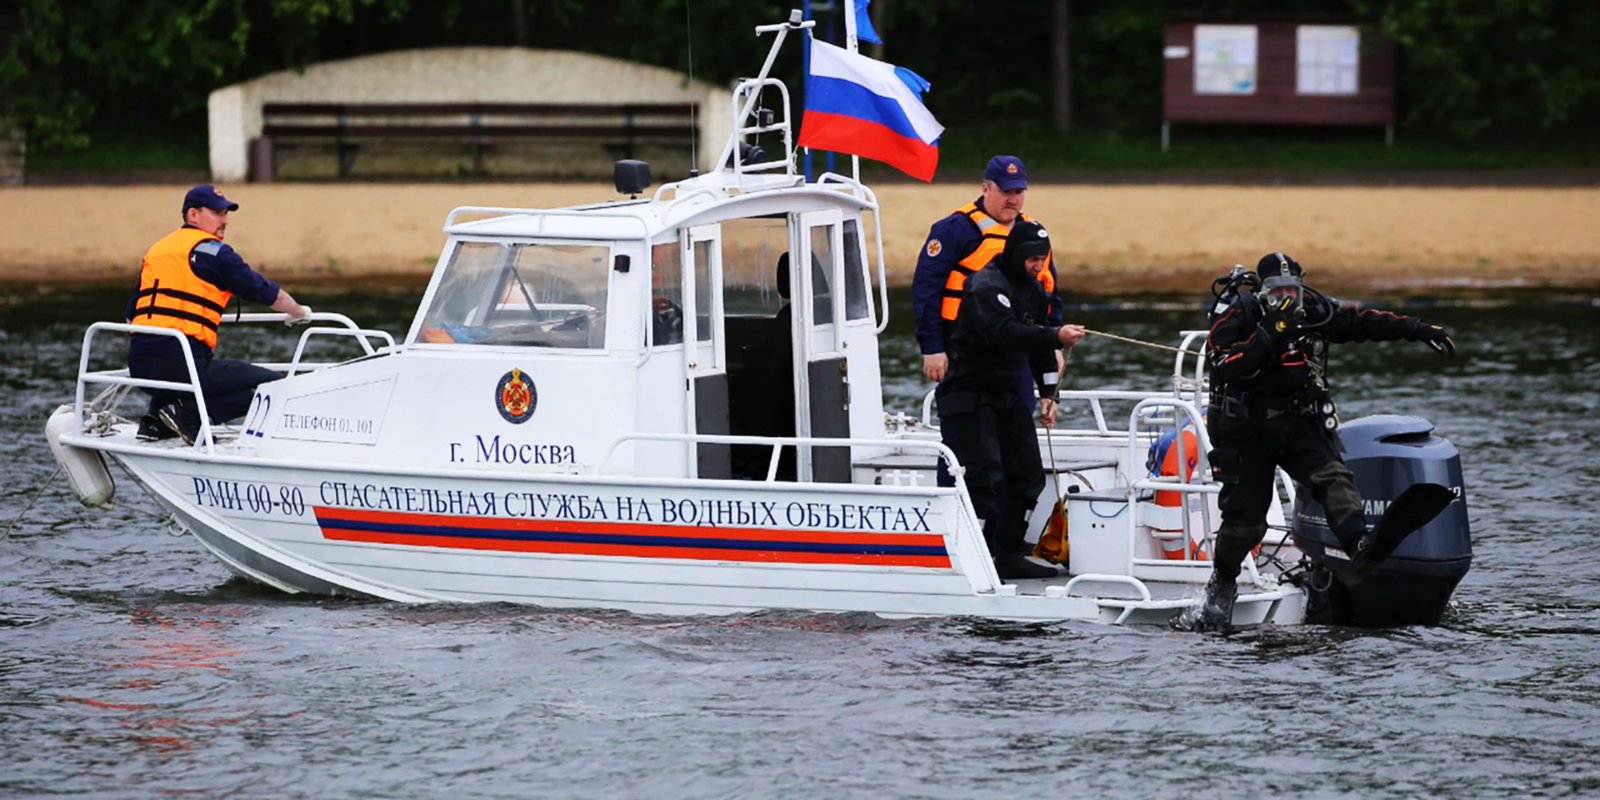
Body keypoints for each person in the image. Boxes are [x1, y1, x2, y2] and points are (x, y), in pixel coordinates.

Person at [1196, 252, 1457, 631]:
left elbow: (1361, 322)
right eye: (1277, 291)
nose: (1286, 298)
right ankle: (1223, 581)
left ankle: (1359, 547)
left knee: (1334, 478)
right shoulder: (1243, 314)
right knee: (1247, 525)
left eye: (1292, 290)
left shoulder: (1314, 311)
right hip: (1246, 431)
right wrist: (1270, 334)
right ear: (1263, 292)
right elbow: (1223, 363)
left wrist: (1418, 329)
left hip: (1298, 422)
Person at [938, 220, 1084, 580]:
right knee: (986, 475)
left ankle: (1005, 551)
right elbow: (1004, 333)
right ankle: (977, 552)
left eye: (1043, 259)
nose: (1039, 266)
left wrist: (1049, 394)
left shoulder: (1036, 291)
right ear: (1016, 255)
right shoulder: (985, 286)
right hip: (970, 394)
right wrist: (1054, 334)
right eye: (1033, 259)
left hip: (1007, 394)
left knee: (1028, 475)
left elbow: (1038, 346)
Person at [912, 155, 1067, 485]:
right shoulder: (954, 230)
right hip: (964, 351)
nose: (1014, 199)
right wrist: (932, 347)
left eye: (1020, 191)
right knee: (964, 442)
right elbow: (926, 291)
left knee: (1015, 445)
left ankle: (1004, 529)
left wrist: (1053, 345)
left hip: (1015, 354)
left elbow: (1049, 294)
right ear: (986, 188)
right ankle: (956, 514)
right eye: (1006, 191)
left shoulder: (1032, 235)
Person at [126, 185, 310, 445]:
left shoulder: (156, 251)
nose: (224, 220)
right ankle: (187, 414)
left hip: (141, 367)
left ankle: (156, 421)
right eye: (217, 213)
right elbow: (261, 289)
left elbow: (132, 312)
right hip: (183, 364)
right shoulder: (214, 252)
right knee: (274, 386)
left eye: (226, 214)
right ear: (193, 215)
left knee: (195, 375)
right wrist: (298, 311)